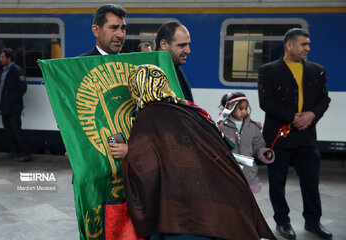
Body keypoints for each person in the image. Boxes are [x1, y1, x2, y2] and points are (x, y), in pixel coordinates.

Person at [123, 64, 276, 240]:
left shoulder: (148, 117)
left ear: (137, 89)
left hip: (188, 216)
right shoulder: (189, 109)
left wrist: (128, 153)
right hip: (227, 198)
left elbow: (145, 165)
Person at [258, 28, 332, 240]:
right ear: (289, 46)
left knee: (310, 182)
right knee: (277, 182)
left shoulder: (317, 70)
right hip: (279, 137)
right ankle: (283, 222)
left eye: (308, 44)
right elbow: (266, 101)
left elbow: (324, 100)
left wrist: (311, 115)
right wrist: (293, 117)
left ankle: (313, 222)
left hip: (306, 136)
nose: (308, 48)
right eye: (303, 44)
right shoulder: (268, 70)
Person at [79, 4, 128, 158]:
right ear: (96, 30)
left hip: (129, 159)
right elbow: (68, 112)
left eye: (123, 28)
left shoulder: (132, 66)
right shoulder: (79, 67)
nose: (120, 34)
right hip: (92, 154)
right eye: (114, 28)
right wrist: (72, 143)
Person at [217, 92, 274, 194]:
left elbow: (258, 146)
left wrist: (264, 153)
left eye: (246, 108)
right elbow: (215, 147)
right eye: (241, 108)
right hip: (228, 172)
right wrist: (226, 143)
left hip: (248, 175)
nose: (244, 111)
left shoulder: (253, 127)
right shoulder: (221, 127)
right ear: (231, 108)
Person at [0, 48, 31, 162]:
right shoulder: (4, 70)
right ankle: (14, 151)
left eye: (2, 57)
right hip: (5, 107)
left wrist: (12, 100)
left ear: (9, 58)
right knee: (8, 131)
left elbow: (22, 87)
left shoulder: (16, 70)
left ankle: (26, 153)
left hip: (13, 107)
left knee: (16, 130)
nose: (0, 59)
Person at [155, 21, 194, 102]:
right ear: (164, 45)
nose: (188, 51)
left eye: (188, 45)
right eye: (182, 45)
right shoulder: (153, 75)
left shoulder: (173, 68)